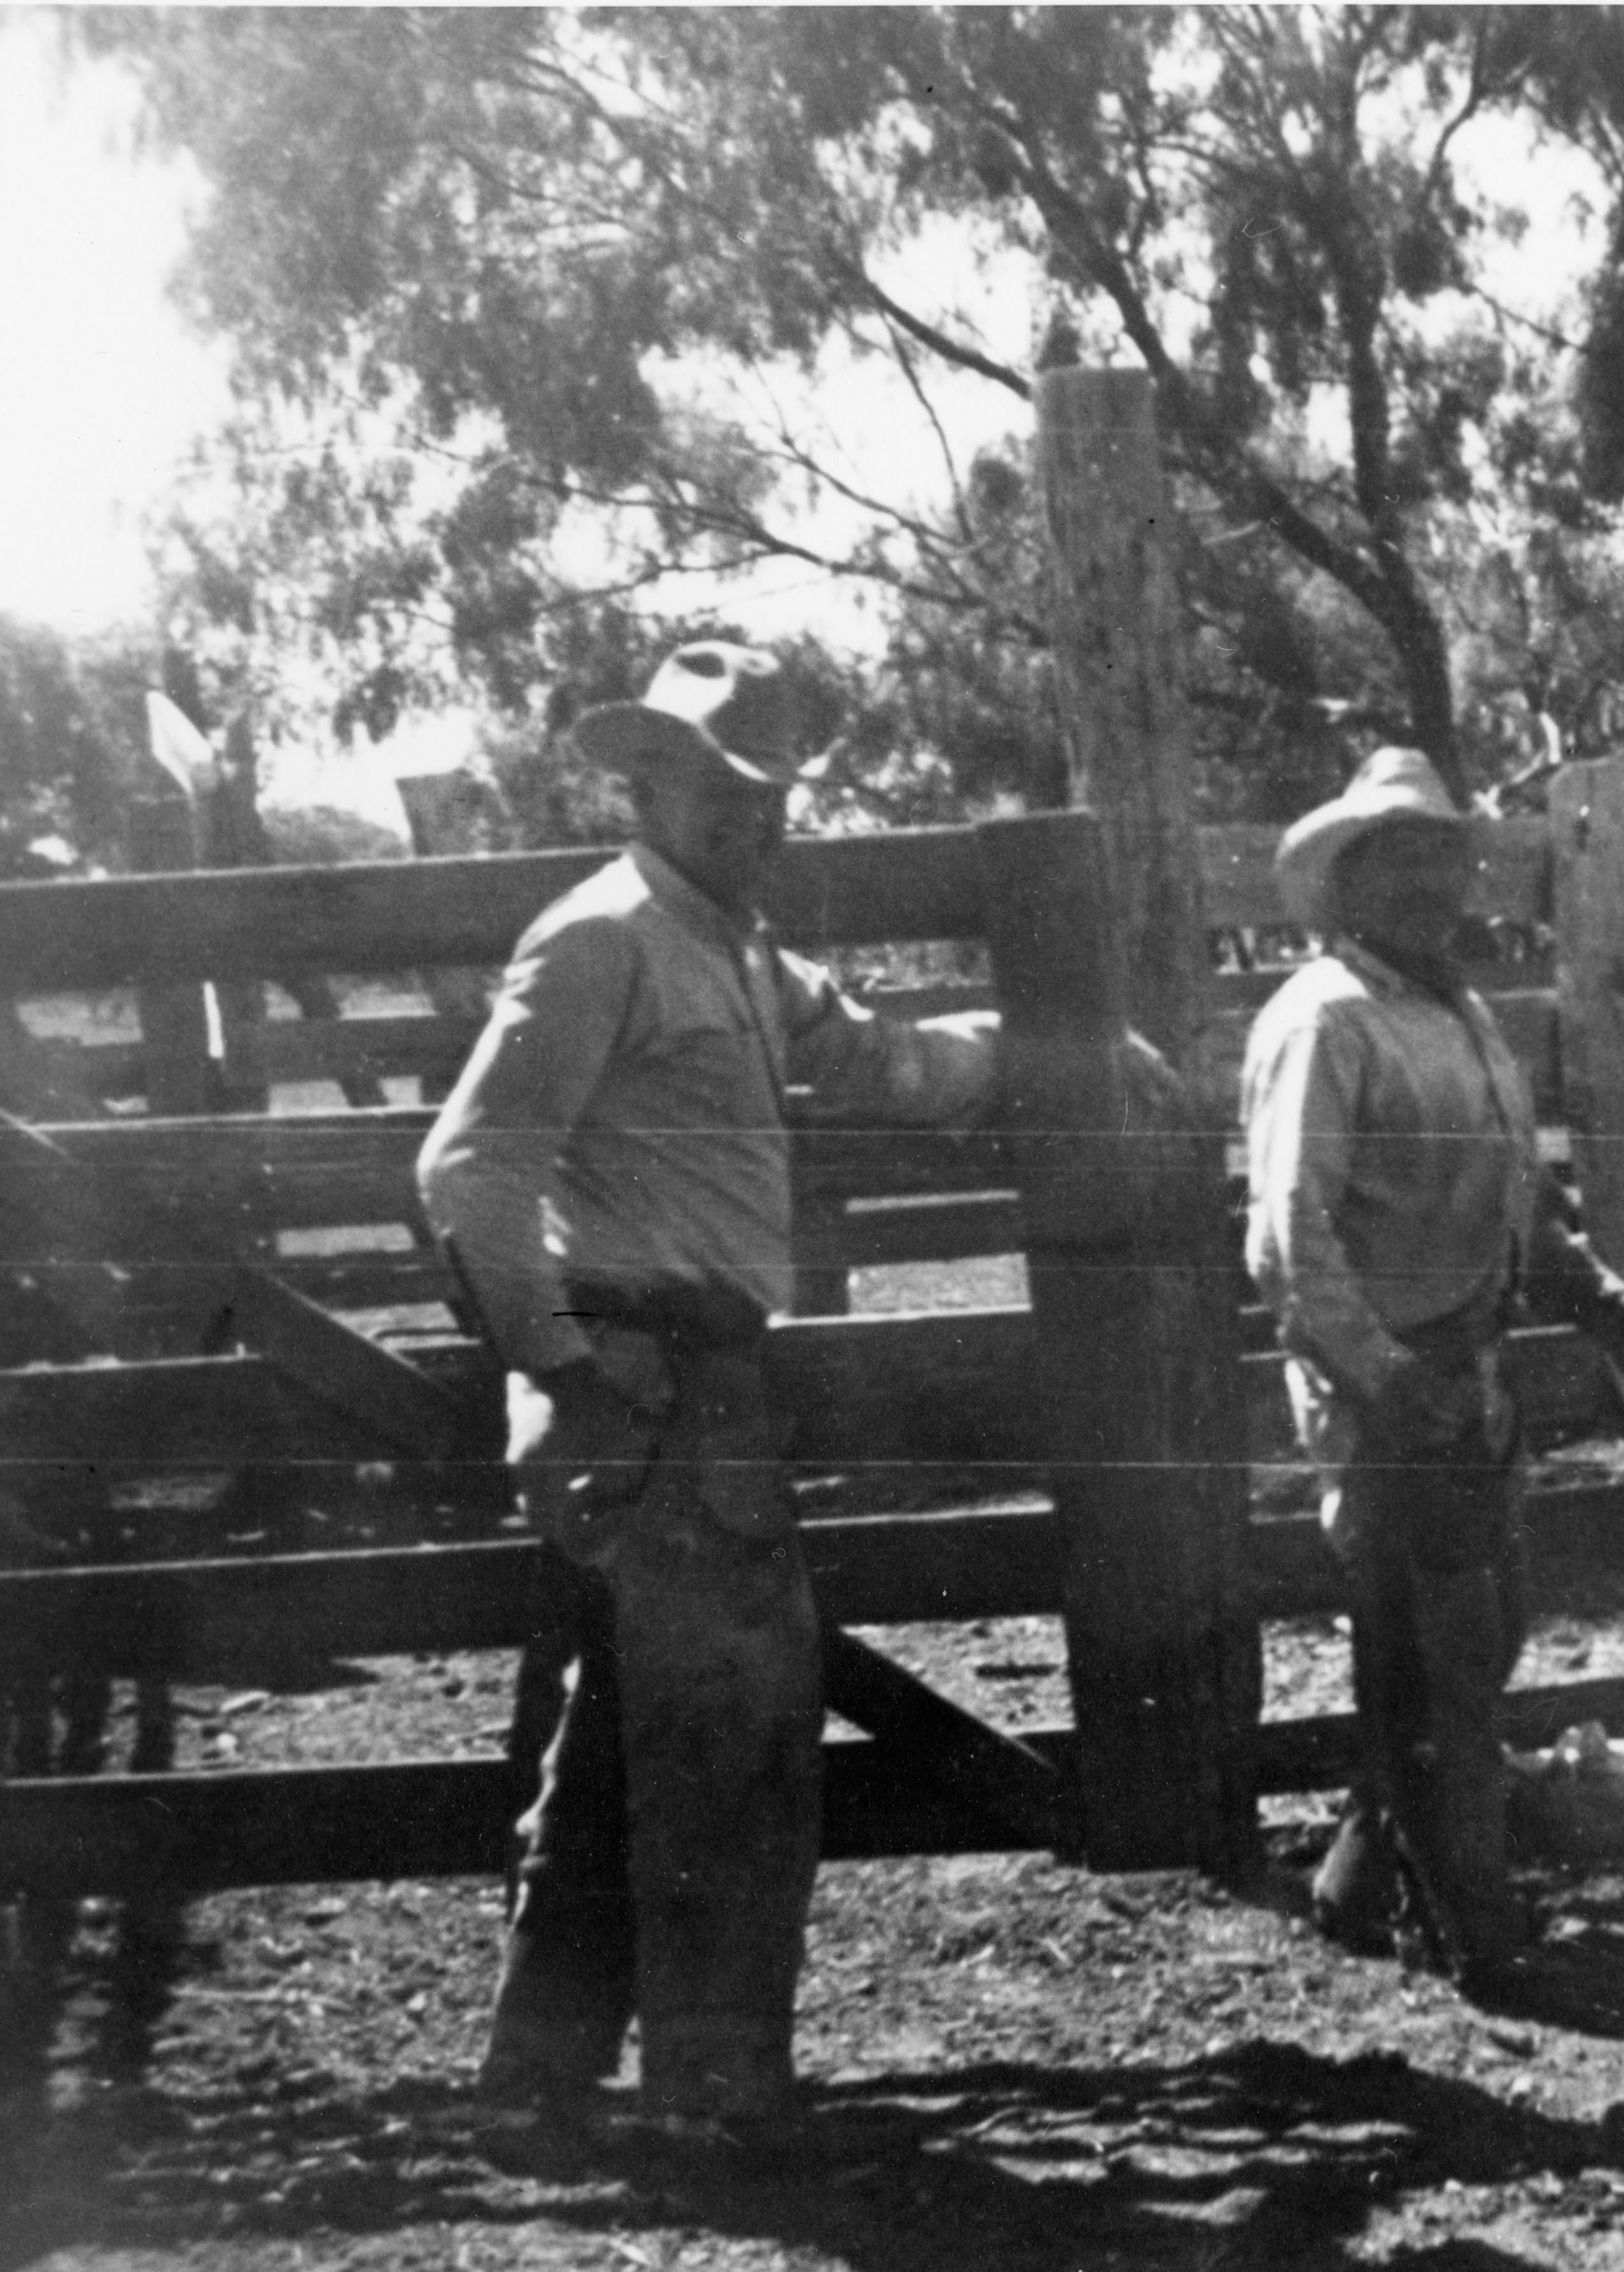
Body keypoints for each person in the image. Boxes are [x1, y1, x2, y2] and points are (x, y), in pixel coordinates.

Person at [418, 642, 999, 2138]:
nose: (759, 821)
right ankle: (713, 2086)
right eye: (727, 793)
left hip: (692, 1378)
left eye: (775, 797)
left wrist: (1034, 1053)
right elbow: (470, 1170)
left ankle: (541, 2079)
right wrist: (556, 1361)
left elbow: (875, 1059)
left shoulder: (732, 949)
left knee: (628, 1735)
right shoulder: (604, 938)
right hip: (643, 1378)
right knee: (729, 1743)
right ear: (651, 785)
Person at [1242, 748, 1624, 1986]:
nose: (1438, 886)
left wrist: (1590, 1296)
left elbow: (1519, 1200)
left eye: (1447, 860)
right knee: (1441, 1654)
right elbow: (1286, 1235)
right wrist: (1386, 1373)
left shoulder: (1459, 1015)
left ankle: (1358, 1879)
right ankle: (1477, 1928)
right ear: (1348, 881)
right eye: (1406, 863)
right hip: (1389, 1389)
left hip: (1470, 1375)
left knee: (1478, 1640)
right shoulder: (1322, 1019)